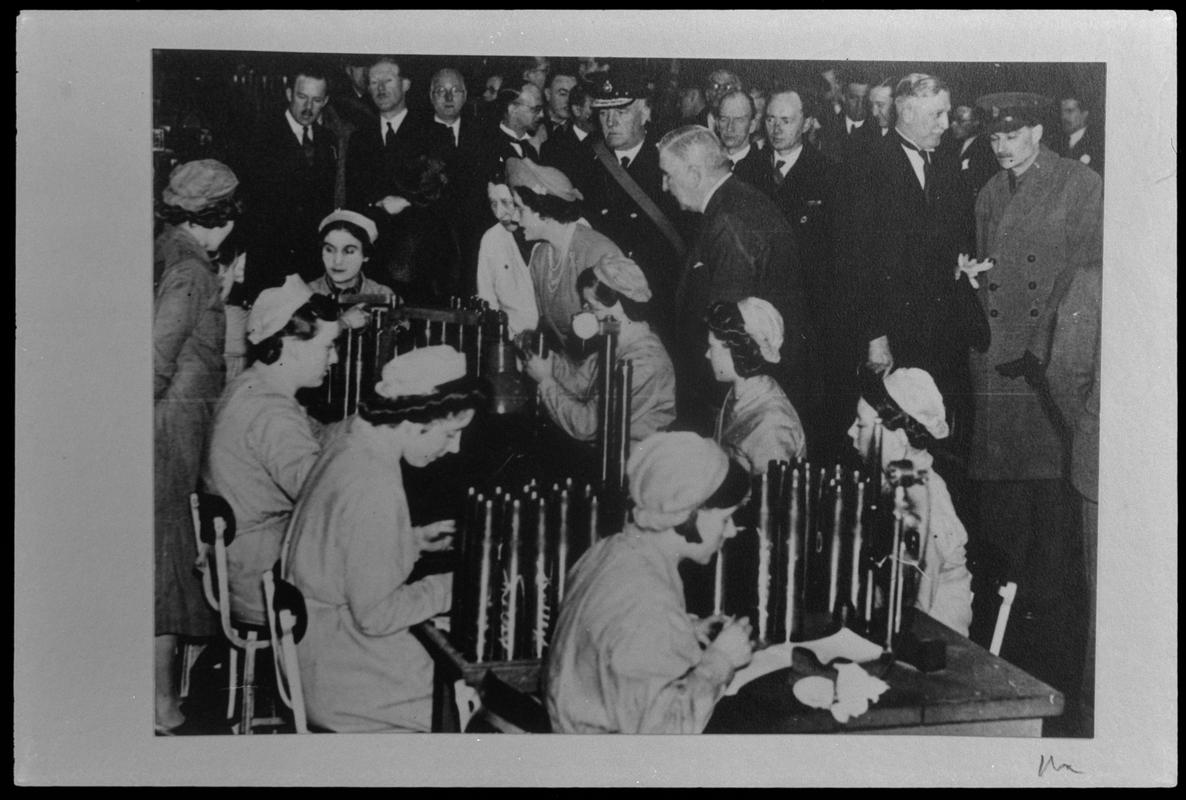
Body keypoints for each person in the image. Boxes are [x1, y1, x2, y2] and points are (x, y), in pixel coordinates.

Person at [967, 91, 1102, 702]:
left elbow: (1084, 279)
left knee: (1052, 511)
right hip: (999, 365)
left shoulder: (1080, 185)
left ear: (1040, 132)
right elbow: (989, 271)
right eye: (995, 136)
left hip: (1044, 367)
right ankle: (1010, 641)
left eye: (1013, 135)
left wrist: (1045, 348)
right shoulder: (990, 191)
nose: (1002, 146)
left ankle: (1045, 656)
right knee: (1006, 515)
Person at [282, 345, 485, 732]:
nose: (454, 448)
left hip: (313, 650)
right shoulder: (376, 483)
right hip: (343, 673)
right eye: (451, 433)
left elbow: (338, 545)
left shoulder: (349, 442)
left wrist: (407, 542)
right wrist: (455, 588)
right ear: (415, 419)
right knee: (474, 703)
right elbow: (378, 616)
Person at [545, 431, 755, 733]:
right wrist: (720, 661)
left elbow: (615, 646)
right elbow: (661, 735)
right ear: (689, 515)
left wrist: (684, 631)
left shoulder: (611, 550)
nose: (732, 531)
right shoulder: (649, 600)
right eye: (725, 519)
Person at [153, 158, 243, 733]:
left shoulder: (171, 250)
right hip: (170, 431)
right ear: (223, 216)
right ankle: (160, 706)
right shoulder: (191, 272)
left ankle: (161, 697)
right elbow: (155, 358)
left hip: (170, 426)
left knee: (162, 556)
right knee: (163, 561)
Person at [202, 275, 343, 626]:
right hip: (263, 582)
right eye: (329, 346)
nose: (336, 358)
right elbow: (321, 496)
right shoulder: (272, 412)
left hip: (243, 563)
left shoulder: (255, 385)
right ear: (294, 344)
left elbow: (319, 436)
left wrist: (374, 424)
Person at [657, 124, 809, 430]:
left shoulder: (729, 222)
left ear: (694, 174)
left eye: (668, 175)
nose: (663, 186)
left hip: (737, 401)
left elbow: (728, 331)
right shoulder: (730, 204)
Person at [847, 367, 974, 636]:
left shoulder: (925, 495)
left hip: (937, 637)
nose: (850, 432)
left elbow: (921, 601)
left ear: (899, 439)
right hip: (903, 625)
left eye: (860, 424)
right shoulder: (892, 483)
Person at [522, 255, 676, 448]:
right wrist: (548, 360)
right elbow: (579, 383)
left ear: (619, 306)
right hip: (606, 452)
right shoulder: (614, 341)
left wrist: (545, 382)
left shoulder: (644, 362)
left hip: (634, 463)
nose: (585, 313)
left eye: (592, 307)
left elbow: (587, 426)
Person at [237, 63, 338, 297]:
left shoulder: (328, 140)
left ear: (325, 101)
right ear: (289, 94)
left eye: (316, 99)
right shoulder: (258, 136)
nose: (308, 107)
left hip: (311, 266)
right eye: (302, 96)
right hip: (268, 264)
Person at [506, 157, 622, 354]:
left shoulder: (597, 253)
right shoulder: (540, 257)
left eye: (520, 208)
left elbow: (616, 331)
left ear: (542, 209)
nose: (514, 217)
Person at [706, 298, 806, 474]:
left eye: (712, 347)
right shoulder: (738, 395)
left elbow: (770, 495)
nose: (707, 355)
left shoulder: (772, 424)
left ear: (737, 350)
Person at [474, 166, 539, 336]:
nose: (499, 213)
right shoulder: (492, 239)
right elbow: (487, 300)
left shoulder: (546, 233)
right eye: (493, 204)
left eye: (506, 202)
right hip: (511, 341)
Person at [307, 209, 396, 301]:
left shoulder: (383, 295)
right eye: (329, 250)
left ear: (366, 255)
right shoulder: (303, 294)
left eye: (349, 251)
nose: (337, 261)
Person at [712, 89, 765, 187]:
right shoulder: (708, 162)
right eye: (724, 119)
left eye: (739, 120)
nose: (730, 127)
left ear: (752, 125)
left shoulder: (762, 169)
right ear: (717, 123)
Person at [1057, 91, 1103, 176]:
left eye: (1069, 111)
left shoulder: (1097, 146)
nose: (1063, 116)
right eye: (1062, 112)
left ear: (1084, 114)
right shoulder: (1057, 143)